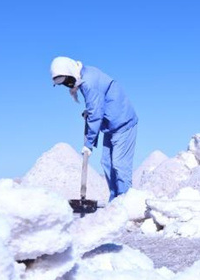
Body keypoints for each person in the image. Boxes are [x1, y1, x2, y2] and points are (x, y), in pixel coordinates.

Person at [50, 56, 138, 201]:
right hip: (111, 125)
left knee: (119, 165)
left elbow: (96, 113)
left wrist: (89, 144)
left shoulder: (88, 82)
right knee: (106, 163)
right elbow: (97, 105)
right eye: (61, 83)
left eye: (65, 80)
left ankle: (126, 202)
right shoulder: (84, 75)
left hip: (123, 124)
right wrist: (90, 111)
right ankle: (115, 200)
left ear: (71, 72)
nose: (66, 84)